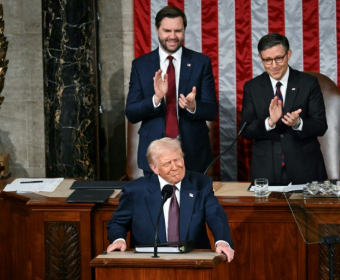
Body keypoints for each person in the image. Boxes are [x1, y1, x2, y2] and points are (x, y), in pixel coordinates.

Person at [106, 137, 234, 262]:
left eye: (177, 159)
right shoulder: (135, 191)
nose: (175, 167)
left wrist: (222, 241)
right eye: (167, 163)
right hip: (148, 264)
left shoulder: (201, 184)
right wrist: (118, 240)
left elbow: (216, 216)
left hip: (193, 261)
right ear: (154, 168)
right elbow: (117, 223)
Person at [125, 6, 217, 175]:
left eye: (178, 31)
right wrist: (156, 99)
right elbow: (131, 112)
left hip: (192, 154)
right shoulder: (141, 65)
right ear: (157, 30)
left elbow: (212, 111)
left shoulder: (201, 62)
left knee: (194, 201)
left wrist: (193, 106)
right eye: (167, 30)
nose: (173, 36)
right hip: (154, 155)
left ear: (184, 30)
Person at [240, 33, 328, 185]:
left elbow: (321, 126)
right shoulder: (252, 87)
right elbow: (246, 130)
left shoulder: (309, 83)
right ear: (260, 58)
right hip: (265, 172)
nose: (274, 65)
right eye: (267, 60)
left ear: (289, 54)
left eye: (279, 58)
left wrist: (298, 123)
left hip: (305, 169)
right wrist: (269, 122)